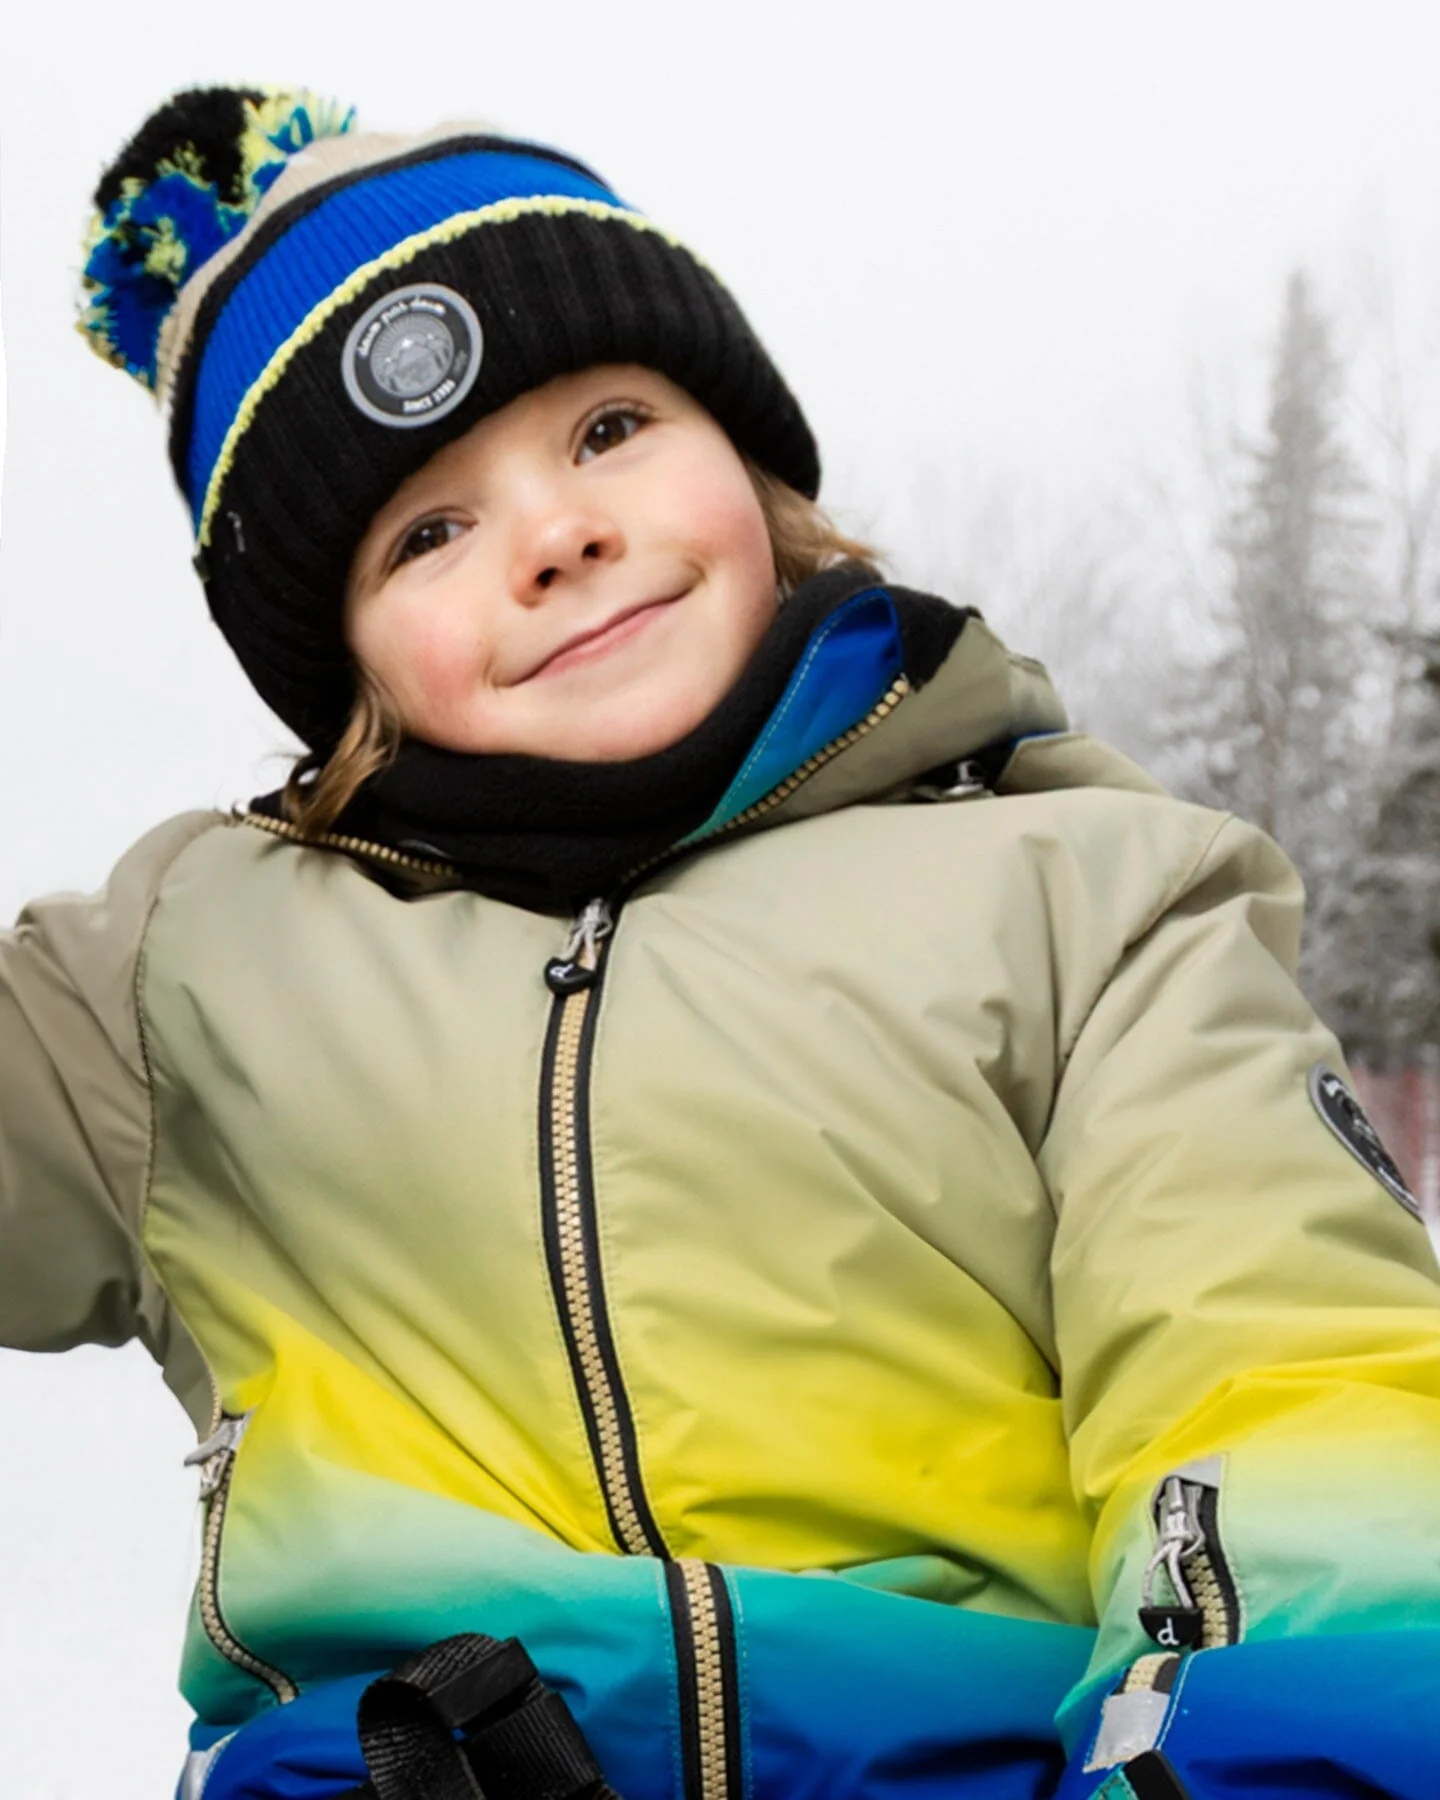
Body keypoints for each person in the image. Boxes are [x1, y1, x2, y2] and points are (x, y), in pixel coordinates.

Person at [4, 83, 1438, 1800]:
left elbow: (1284, 1373)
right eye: (430, 531)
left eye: (608, 429)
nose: (557, 536)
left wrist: (1284, 1752)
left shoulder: (1087, 895)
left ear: (751, 462)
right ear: (347, 663)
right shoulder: (185, 979)